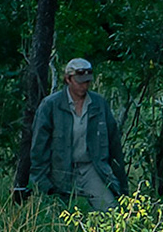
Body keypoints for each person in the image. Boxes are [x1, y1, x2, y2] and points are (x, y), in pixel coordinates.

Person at [18, 57, 129, 210]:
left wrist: (121, 185)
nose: (84, 85)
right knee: (59, 217)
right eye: (80, 81)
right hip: (60, 170)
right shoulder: (50, 105)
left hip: (91, 168)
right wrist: (42, 182)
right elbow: (39, 147)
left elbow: (114, 144)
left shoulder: (99, 104)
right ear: (68, 79)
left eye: (87, 81)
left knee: (111, 212)